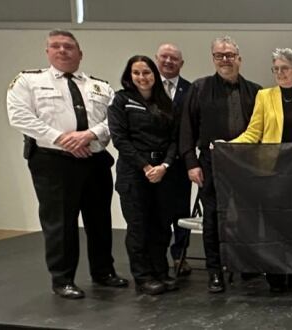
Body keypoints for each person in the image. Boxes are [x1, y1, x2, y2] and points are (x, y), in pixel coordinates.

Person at [6, 30, 128, 299]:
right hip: (53, 162)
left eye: (69, 47)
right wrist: (62, 139)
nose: (63, 51)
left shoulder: (99, 86)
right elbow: (19, 116)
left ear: (80, 53)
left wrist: (89, 135)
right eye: (56, 46)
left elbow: (115, 119)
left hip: (94, 159)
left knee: (99, 219)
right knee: (60, 222)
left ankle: (103, 271)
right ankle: (63, 279)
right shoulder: (29, 81)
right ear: (47, 52)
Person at [231, 48, 292, 293]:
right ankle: (276, 275)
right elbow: (253, 133)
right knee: (273, 225)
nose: (280, 73)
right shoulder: (264, 96)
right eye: (276, 68)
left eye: (285, 68)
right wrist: (228, 145)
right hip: (271, 173)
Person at [179, 36, 261, 293]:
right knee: (213, 219)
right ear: (213, 58)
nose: (225, 59)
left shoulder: (257, 91)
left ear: (239, 58)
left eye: (229, 55)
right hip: (210, 164)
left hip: (246, 165)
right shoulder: (199, 88)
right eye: (219, 55)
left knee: (247, 217)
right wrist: (191, 163)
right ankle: (215, 271)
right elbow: (186, 130)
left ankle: (246, 265)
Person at [108, 55, 180, 295]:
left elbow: (174, 139)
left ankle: (160, 271)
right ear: (129, 76)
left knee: (161, 226)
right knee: (138, 227)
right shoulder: (121, 101)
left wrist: (165, 166)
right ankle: (143, 276)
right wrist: (145, 167)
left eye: (146, 72)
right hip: (135, 173)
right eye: (136, 73)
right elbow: (120, 139)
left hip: (162, 172)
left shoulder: (165, 102)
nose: (142, 77)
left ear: (155, 75)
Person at [154, 42, 193, 277]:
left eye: (174, 58)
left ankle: (180, 255)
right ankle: (156, 257)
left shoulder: (190, 90)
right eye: (164, 57)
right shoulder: (145, 88)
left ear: (181, 63)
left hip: (180, 162)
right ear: (156, 59)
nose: (169, 62)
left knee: (181, 211)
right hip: (152, 162)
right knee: (156, 212)